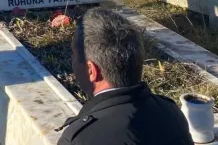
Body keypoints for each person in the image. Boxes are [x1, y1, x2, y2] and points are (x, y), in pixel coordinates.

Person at [57, 8, 193, 145]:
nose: (72, 61)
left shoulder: (81, 139)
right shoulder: (171, 113)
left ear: (91, 70)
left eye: (74, 55)